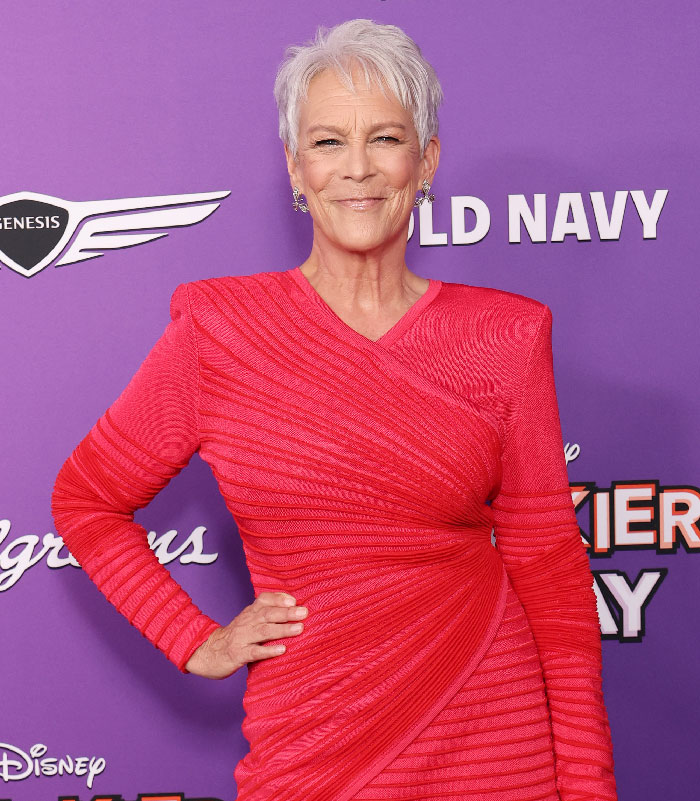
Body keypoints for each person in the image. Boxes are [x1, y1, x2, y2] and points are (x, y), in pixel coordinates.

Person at [51, 18, 618, 801]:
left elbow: (550, 569)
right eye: (327, 143)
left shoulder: (507, 336)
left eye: (385, 138)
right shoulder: (220, 335)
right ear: (294, 168)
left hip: (494, 740)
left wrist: (588, 783)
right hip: (312, 745)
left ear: (426, 162)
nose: (358, 169)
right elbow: (86, 499)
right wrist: (196, 639)